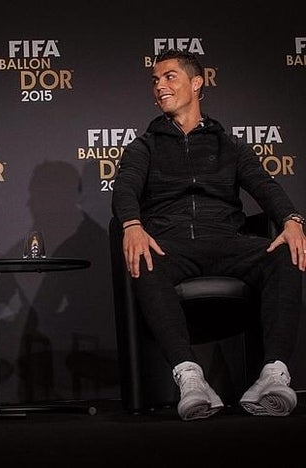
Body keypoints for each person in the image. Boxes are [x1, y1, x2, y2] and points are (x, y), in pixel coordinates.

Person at [111, 49, 305, 421]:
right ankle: (190, 377)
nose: (159, 87)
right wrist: (132, 226)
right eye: (155, 80)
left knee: (284, 252)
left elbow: (266, 187)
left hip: (227, 242)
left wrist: (292, 220)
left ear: (196, 83)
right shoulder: (145, 146)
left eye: (169, 77)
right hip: (172, 245)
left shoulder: (228, 145)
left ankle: (273, 374)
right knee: (145, 257)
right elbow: (126, 189)